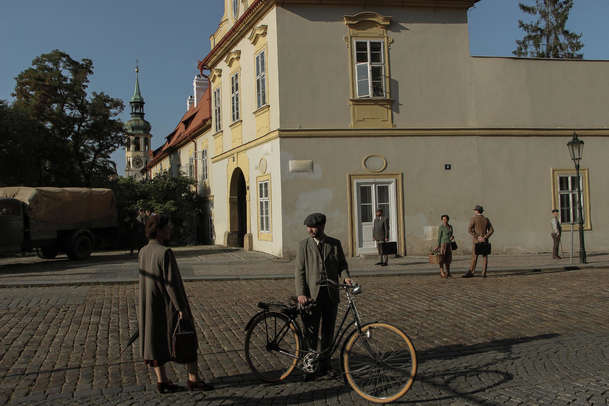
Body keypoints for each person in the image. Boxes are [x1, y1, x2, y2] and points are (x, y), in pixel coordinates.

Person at [138, 214, 213, 393]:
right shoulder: (165, 252)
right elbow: (172, 284)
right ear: (160, 230)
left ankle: (162, 380)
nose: (171, 229)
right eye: (168, 226)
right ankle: (193, 379)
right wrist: (181, 308)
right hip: (167, 304)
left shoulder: (143, 251)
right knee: (187, 337)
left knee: (154, 340)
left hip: (149, 304)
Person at [295, 212, 352, 381]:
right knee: (310, 333)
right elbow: (299, 271)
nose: (309, 230)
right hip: (311, 296)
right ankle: (309, 367)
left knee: (328, 333)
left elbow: (342, 264)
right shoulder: (303, 245)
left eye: (313, 227)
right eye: (308, 227)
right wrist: (301, 294)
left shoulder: (334, 244)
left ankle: (325, 366)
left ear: (322, 226)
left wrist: (346, 276)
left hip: (330, 295)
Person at [463, 205, 494, 278]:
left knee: (474, 256)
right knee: (485, 257)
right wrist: (485, 237)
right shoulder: (486, 219)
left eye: (475, 210)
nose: (474, 211)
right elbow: (491, 230)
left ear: (476, 211)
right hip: (485, 240)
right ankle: (484, 273)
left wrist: (478, 236)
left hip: (477, 241)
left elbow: (469, 230)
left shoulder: (473, 219)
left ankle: (471, 272)